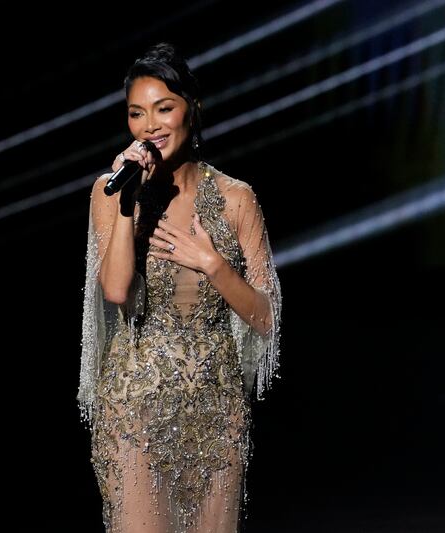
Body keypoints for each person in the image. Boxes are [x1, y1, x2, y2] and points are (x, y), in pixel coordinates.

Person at [78, 42, 282, 533]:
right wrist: (128, 206)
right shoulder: (112, 193)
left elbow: (265, 316)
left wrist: (211, 263)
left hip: (217, 414)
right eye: (136, 113)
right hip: (135, 412)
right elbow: (116, 291)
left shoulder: (235, 199)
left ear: (192, 109)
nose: (150, 125)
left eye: (164, 109)